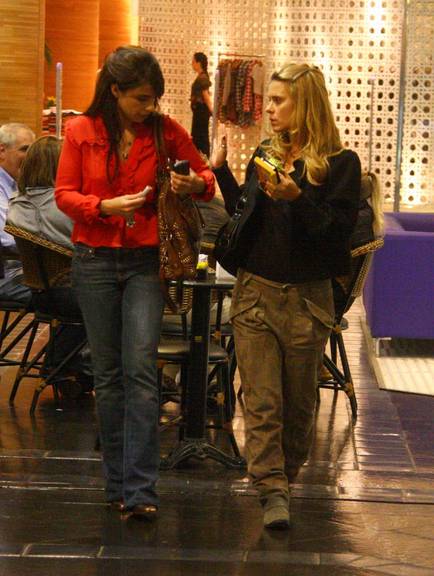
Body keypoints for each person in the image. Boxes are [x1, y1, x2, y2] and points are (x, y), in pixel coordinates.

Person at [55, 45, 215, 519]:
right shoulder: (80, 131)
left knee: (141, 372)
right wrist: (103, 207)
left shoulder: (167, 132)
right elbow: (63, 193)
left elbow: (207, 176)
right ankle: (117, 484)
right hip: (94, 258)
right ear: (115, 91)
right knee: (107, 377)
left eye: (156, 98)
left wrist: (194, 184)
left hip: (147, 260)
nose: (151, 107)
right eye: (142, 98)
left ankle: (142, 490)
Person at [211, 63, 361, 529]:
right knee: (261, 402)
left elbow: (337, 241)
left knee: (299, 409)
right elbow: (247, 217)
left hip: (307, 301)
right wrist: (221, 175)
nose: (269, 109)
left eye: (279, 101)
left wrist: (298, 198)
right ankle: (271, 488)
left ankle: (284, 479)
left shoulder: (340, 164)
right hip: (256, 293)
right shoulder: (264, 153)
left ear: (306, 104)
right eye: (269, 100)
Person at [7, 136, 92, 395]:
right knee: (124, 300)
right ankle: (86, 369)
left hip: (41, 293)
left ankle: (67, 367)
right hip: (71, 294)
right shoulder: (64, 207)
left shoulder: (16, 204)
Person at [0, 122, 35, 303]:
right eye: (24, 149)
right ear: (1, 151)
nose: (30, 157)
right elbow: (5, 240)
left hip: (16, 266)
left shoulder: (16, 184)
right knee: (85, 296)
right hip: (5, 273)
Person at [190, 52, 213, 156]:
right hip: (200, 111)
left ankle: (203, 159)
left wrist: (212, 110)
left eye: (193, 61)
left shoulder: (202, 78)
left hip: (201, 112)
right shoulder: (202, 76)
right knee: (199, 136)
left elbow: (206, 95)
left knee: (200, 136)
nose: (192, 64)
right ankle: (199, 158)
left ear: (199, 63)